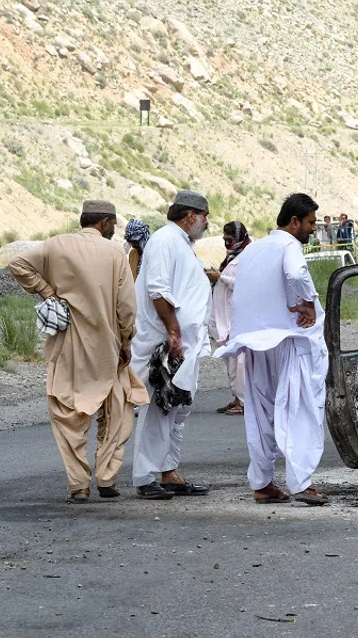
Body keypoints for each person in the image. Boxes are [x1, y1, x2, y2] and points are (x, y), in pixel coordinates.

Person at [8, 200, 148, 503]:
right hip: (107, 347)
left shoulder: (55, 245)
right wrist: (126, 342)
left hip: (67, 346)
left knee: (67, 413)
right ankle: (107, 478)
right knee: (117, 411)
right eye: (113, 224)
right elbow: (126, 306)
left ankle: (79, 484)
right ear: (106, 222)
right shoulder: (115, 253)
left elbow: (17, 264)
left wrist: (47, 292)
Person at [215, 193, 330, 506]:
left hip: (256, 343)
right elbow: (295, 274)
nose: (311, 230)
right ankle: (301, 482)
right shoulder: (288, 245)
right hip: (288, 340)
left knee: (260, 412)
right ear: (294, 222)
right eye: (310, 224)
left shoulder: (254, 250)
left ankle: (263, 483)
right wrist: (307, 301)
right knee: (298, 408)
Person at [131, 190, 213, 500]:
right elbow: (157, 290)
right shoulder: (166, 240)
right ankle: (144, 475)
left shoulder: (183, 244)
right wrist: (174, 332)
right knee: (160, 407)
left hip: (184, 345)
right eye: (205, 217)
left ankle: (169, 471)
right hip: (165, 343)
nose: (207, 224)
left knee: (180, 406)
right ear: (190, 215)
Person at [208, 221, 250, 416]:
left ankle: (243, 401)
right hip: (226, 315)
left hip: (237, 317)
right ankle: (237, 396)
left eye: (230, 239)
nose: (226, 243)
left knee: (238, 362)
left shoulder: (249, 256)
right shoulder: (232, 256)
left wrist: (221, 278)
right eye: (224, 239)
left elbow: (246, 284)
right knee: (230, 359)